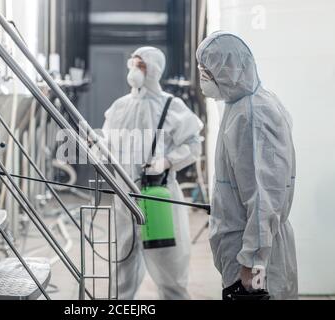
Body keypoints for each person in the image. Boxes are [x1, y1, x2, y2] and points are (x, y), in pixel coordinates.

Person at [196, 31, 298, 299]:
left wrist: (253, 261)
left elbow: (266, 195)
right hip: (243, 250)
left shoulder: (254, 114)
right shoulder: (238, 106)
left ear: (227, 69)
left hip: (254, 258)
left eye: (206, 70)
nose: (203, 77)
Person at [102, 46, 204, 300]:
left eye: (142, 65)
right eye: (133, 64)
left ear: (154, 70)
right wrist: (98, 146)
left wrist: (167, 161)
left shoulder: (171, 106)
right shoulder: (120, 106)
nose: (135, 70)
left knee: (169, 263)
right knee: (123, 262)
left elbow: (193, 144)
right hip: (125, 197)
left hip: (159, 196)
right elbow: (107, 143)